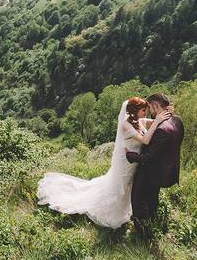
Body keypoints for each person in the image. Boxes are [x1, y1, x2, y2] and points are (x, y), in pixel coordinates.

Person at [36, 97, 171, 228]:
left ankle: (122, 212)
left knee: (127, 188)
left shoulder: (139, 120)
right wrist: (157, 120)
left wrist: (165, 114)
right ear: (135, 111)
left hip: (133, 160)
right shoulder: (126, 125)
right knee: (119, 187)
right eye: (143, 110)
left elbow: (153, 123)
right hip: (126, 162)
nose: (145, 113)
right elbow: (145, 140)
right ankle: (111, 213)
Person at [126, 93, 184, 237]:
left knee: (138, 200)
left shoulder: (161, 130)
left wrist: (130, 155)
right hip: (164, 169)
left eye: (150, 107)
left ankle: (142, 233)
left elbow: (149, 157)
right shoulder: (177, 121)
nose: (149, 111)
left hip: (151, 171)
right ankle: (153, 224)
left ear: (157, 106)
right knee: (152, 199)